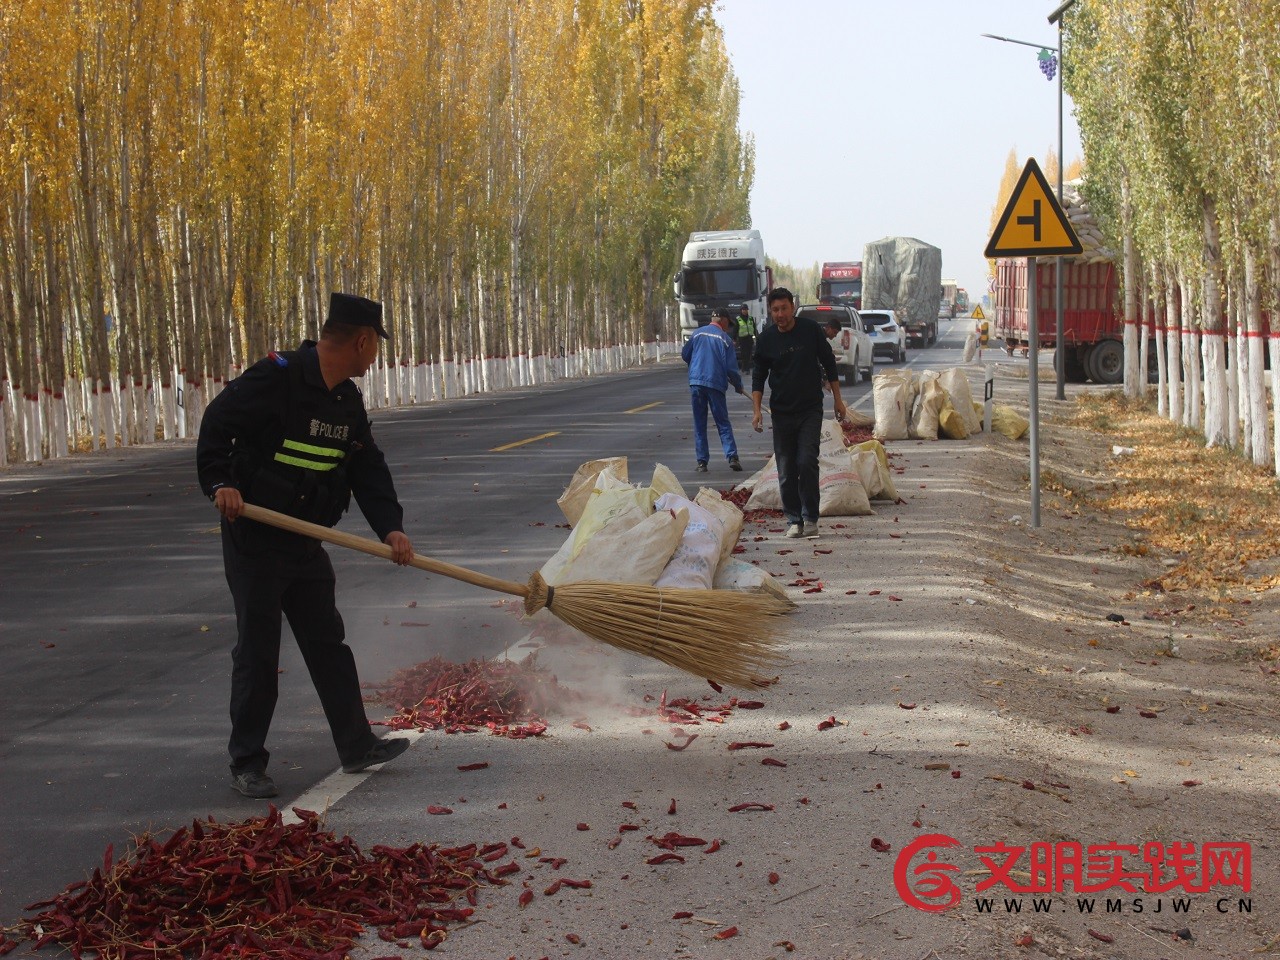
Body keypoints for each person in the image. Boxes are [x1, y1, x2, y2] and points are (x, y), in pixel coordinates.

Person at [197, 292, 413, 799]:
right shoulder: (277, 375)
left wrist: (392, 528)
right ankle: (248, 762)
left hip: (305, 537)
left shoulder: (347, 401)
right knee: (258, 650)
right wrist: (218, 484)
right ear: (362, 341)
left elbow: (366, 467)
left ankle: (357, 745)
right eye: (374, 346)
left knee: (326, 643)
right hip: (256, 535)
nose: (374, 356)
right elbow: (216, 424)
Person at [751, 288, 849, 539]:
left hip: (810, 409)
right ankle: (794, 519)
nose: (780, 314)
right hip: (782, 413)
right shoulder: (765, 340)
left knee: (806, 461)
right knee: (786, 468)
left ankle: (811, 517)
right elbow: (758, 378)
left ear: (792, 307)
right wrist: (756, 411)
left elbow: (828, 363)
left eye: (784, 308)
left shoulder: (810, 331)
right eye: (775, 310)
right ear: (770, 312)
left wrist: (838, 401)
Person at [681, 307, 745, 473]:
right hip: (715, 383)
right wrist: (738, 385)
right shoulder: (725, 339)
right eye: (728, 324)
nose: (728, 327)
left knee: (699, 422)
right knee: (722, 422)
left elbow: (685, 354)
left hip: (696, 383)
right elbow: (731, 369)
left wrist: (696, 364)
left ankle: (702, 462)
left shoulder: (697, 334)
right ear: (723, 320)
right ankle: (732, 457)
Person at [735, 303, 756, 369]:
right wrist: (735, 338)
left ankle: (747, 367)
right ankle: (745, 367)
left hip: (749, 338)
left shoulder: (751, 318)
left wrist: (755, 337)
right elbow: (735, 329)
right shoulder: (738, 319)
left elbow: (754, 328)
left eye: (746, 309)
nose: (745, 311)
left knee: (749, 353)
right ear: (741, 310)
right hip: (742, 339)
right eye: (743, 309)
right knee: (744, 353)